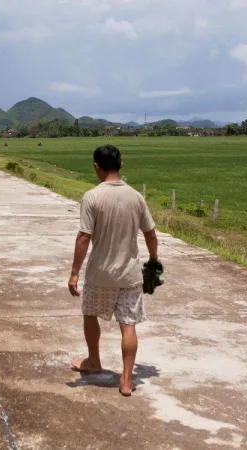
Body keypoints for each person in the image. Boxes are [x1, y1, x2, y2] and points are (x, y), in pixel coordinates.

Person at [67, 144, 159, 396]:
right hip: (129, 275)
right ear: (121, 165)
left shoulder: (92, 197)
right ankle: (127, 380)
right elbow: (150, 233)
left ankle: (94, 361)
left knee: (89, 314)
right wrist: (153, 260)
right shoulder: (136, 197)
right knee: (128, 325)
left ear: (97, 167)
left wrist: (75, 272)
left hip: (100, 274)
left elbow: (83, 237)